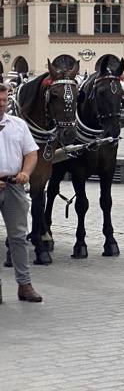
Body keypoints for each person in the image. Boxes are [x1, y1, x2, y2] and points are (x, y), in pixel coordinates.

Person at [0, 83, 44, 303]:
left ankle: (24, 285)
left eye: (3, 100)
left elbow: (31, 153)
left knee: (18, 237)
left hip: (14, 187)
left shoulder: (17, 125)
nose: (1, 105)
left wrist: (26, 172)